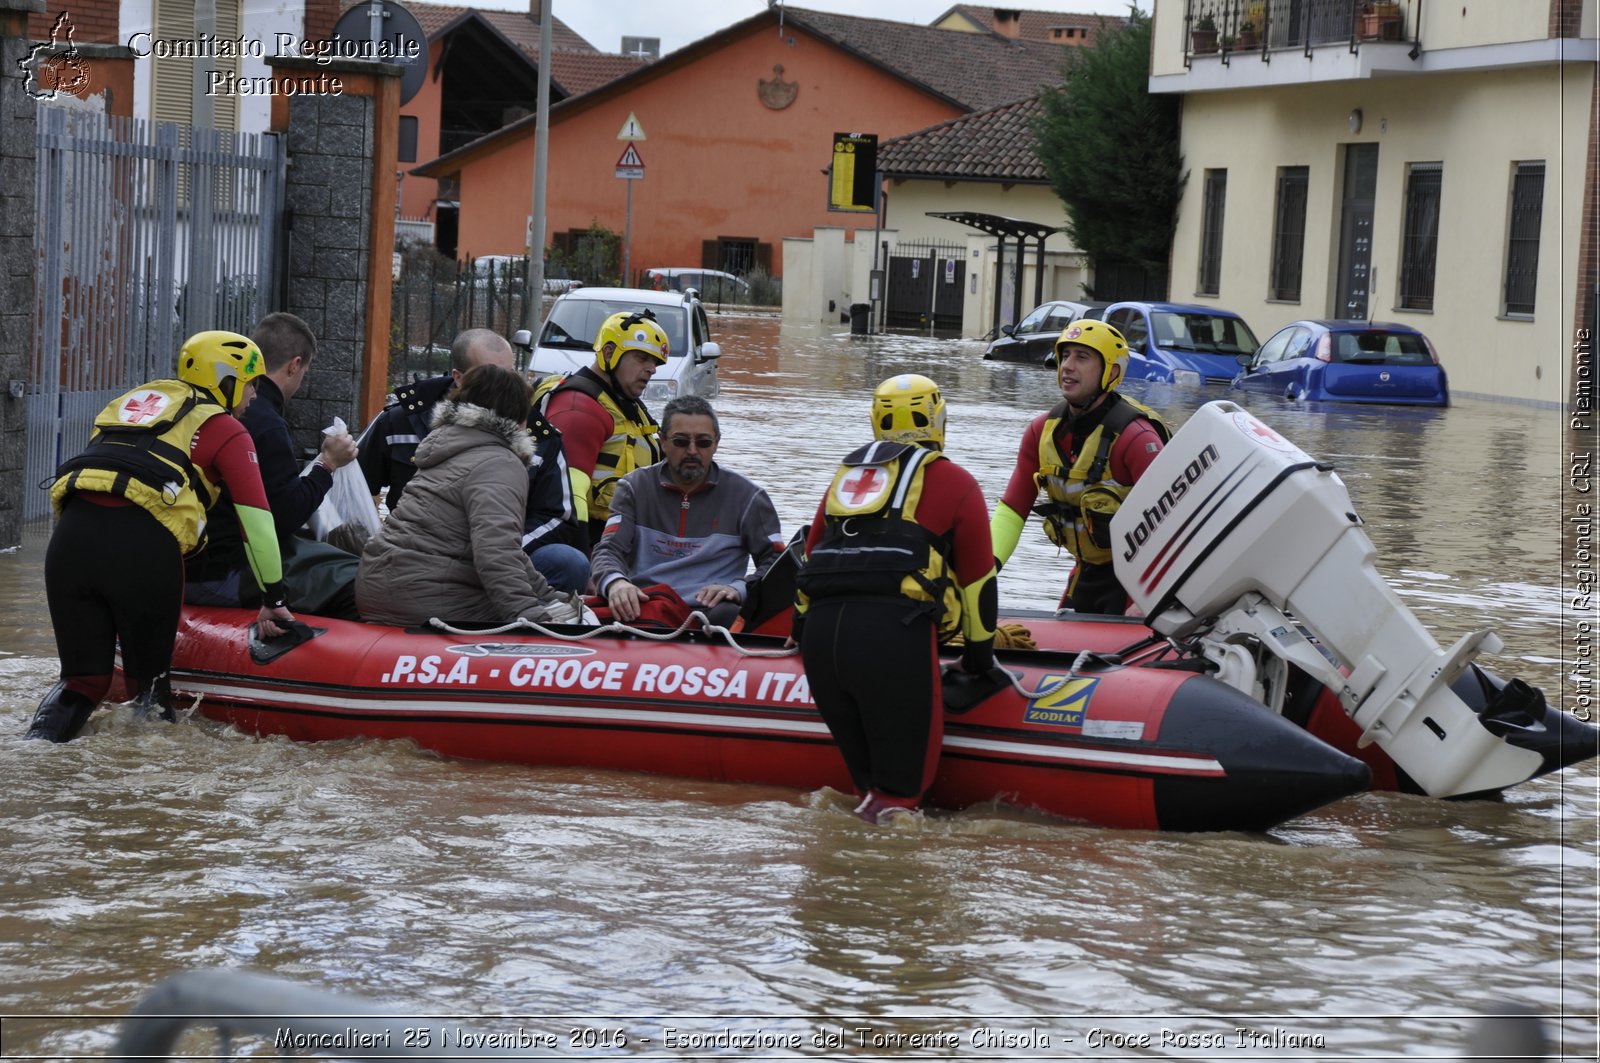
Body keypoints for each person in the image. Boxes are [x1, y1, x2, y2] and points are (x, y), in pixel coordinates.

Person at [26, 331, 297, 742]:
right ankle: (146, 802)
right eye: (250, 383)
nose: (255, 395)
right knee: (150, 697)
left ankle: (33, 756)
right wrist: (273, 599)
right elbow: (256, 521)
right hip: (142, 553)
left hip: (68, 547)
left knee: (82, 683)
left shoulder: (136, 406)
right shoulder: (226, 429)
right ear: (225, 381)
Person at [793, 374, 998, 825]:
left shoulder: (843, 479)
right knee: (899, 802)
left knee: (862, 795)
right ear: (938, 419)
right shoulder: (956, 482)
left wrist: (799, 637)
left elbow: (810, 564)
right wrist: (980, 660)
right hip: (892, 638)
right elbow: (979, 583)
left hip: (823, 643)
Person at [355, 364, 580, 628]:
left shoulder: (445, 446)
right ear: (519, 414)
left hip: (376, 585)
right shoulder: (500, 462)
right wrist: (535, 621)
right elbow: (497, 553)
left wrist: (548, 597)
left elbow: (504, 549)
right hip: (425, 598)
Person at [184, 312, 360, 615]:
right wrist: (327, 463)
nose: (252, 396)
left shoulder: (186, 414)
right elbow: (277, 516)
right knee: (349, 578)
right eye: (249, 386)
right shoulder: (260, 422)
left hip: (172, 561)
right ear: (295, 365)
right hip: (218, 571)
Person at [991, 320, 1169, 614]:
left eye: (1082, 357)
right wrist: (982, 573)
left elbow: (1173, 526)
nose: (1067, 366)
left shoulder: (1136, 438)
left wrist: (1148, 598)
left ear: (1111, 372)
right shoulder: (1040, 432)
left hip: (1135, 582)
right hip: (1085, 575)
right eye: (1066, 355)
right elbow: (1011, 512)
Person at [591, 395, 786, 627]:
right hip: (645, 604)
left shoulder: (749, 496)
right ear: (663, 441)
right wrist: (616, 584)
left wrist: (739, 589)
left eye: (703, 442)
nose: (692, 451)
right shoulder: (633, 487)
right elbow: (609, 550)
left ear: (717, 443)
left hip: (715, 613)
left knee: (730, 614)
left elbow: (776, 562)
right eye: (681, 442)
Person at [533, 310, 665, 543]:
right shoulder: (580, 409)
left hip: (620, 538)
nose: (652, 368)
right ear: (609, 353)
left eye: (655, 361)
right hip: (590, 543)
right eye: (642, 358)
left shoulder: (622, 403)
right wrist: (586, 566)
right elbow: (567, 499)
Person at [356, 327, 514, 516]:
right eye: (489, 377)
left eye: (510, 375)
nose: (504, 387)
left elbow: (547, 511)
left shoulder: (529, 430)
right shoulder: (399, 421)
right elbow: (356, 490)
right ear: (458, 378)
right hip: (409, 540)